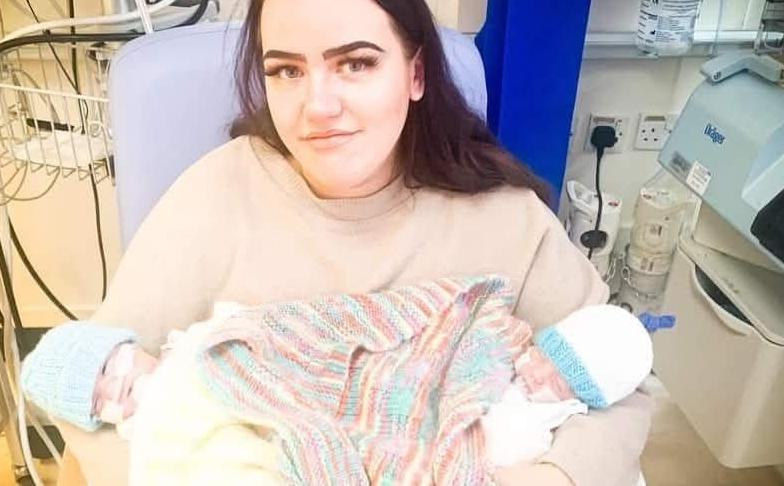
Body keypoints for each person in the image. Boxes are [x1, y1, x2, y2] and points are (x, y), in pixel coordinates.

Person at [54, 0, 652, 484]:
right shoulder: (216, 194)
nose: (318, 106)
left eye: (356, 63)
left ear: (415, 74)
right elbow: (91, 383)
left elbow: (620, 386)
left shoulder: (505, 219)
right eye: (286, 70)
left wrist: (552, 477)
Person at [27, 285, 650, 484]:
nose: (114, 391)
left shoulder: (201, 340)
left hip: (382, 381)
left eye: (109, 369)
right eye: (97, 402)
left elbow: (299, 336)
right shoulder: (152, 436)